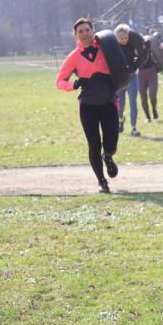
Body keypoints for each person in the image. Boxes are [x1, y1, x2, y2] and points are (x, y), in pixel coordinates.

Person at [56, 18, 121, 193]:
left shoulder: (106, 49)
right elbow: (60, 82)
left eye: (87, 30)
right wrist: (75, 85)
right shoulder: (73, 57)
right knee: (94, 144)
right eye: (80, 32)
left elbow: (122, 65)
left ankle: (108, 157)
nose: (84, 34)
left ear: (93, 32)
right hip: (88, 106)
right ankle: (101, 180)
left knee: (111, 143)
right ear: (75, 36)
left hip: (109, 103)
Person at [114, 24, 144, 137]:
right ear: (117, 38)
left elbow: (142, 50)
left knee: (133, 102)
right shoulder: (114, 47)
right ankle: (120, 120)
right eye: (121, 38)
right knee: (120, 105)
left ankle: (134, 127)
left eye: (125, 37)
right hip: (121, 79)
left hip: (132, 77)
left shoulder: (132, 44)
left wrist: (145, 46)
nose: (124, 40)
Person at [137, 31, 163, 122]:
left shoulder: (148, 45)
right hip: (141, 75)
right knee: (143, 98)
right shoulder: (133, 49)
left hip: (152, 73)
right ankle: (148, 117)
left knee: (152, 95)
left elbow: (160, 42)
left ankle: (154, 109)